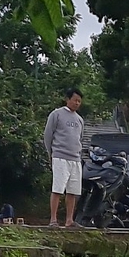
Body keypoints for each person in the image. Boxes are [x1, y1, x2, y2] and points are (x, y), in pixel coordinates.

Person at [42, 87, 84, 228]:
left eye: (79, 101)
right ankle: (53, 220)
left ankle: (69, 220)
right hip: (60, 156)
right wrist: (51, 154)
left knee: (72, 191)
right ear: (67, 99)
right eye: (75, 100)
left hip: (75, 159)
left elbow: (80, 138)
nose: (77, 103)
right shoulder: (57, 114)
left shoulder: (79, 120)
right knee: (58, 188)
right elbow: (48, 135)